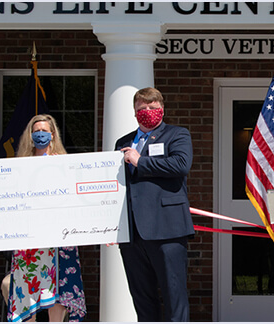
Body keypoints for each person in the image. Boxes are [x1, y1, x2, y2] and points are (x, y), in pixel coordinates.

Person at [115, 87, 194, 321]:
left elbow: (180, 165)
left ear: (162, 109)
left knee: (174, 296)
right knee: (142, 298)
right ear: (134, 112)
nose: (147, 112)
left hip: (167, 229)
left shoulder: (177, 135)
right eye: (142, 108)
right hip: (132, 233)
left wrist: (141, 161)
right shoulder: (123, 142)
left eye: (153, 107)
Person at [6, 114, 86, 322]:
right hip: (29, 241)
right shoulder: (19, 166)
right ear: (30, 136)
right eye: (36, 131)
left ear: (52, 134)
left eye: (44, 131)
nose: (40, 134)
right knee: (27, 291)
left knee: (59, 291)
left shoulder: (65, 164)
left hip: (58, 240)